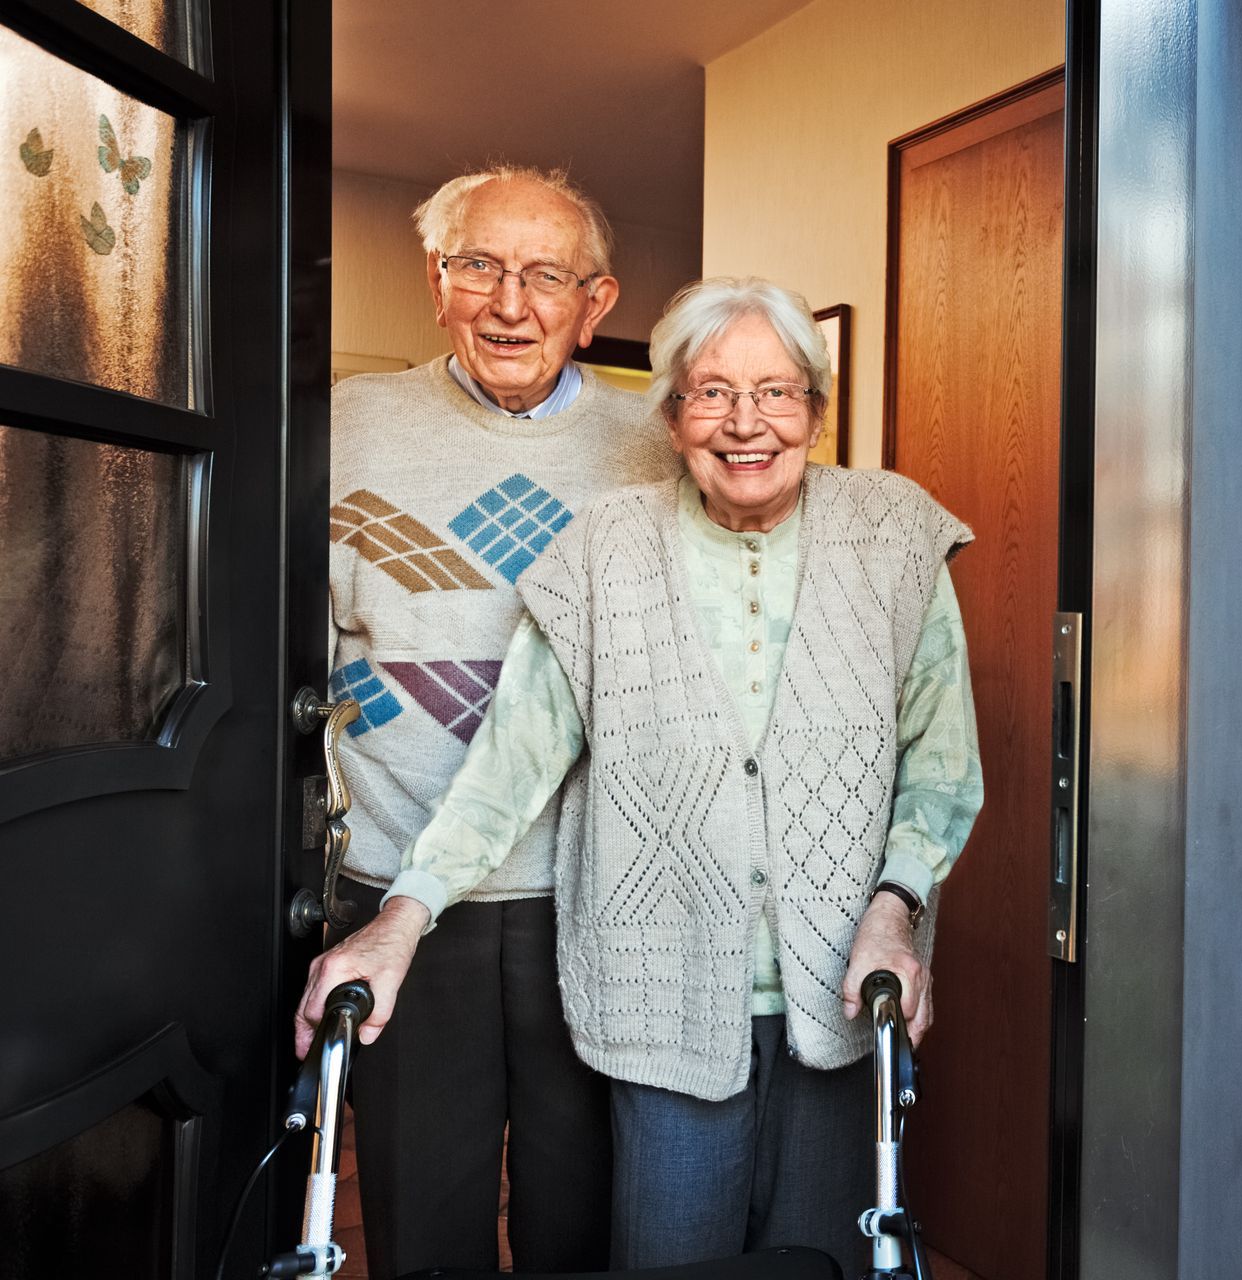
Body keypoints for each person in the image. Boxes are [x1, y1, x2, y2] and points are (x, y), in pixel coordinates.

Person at [320, 276, 983, 1274]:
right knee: (669, 1257)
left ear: (815, 407)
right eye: (712, 391)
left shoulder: (893, 533)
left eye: (776, 391)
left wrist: (897, 905)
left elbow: (941, 760)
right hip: (662, 995)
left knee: (822, 1258)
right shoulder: (606, 548)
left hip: (845, 992)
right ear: (670, 415)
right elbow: (514, 759)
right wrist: (400, 917)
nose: (745, 421)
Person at [299, 164, 679, 1277]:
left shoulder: (657, 445)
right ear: (436, 281)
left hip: (594, 890)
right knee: (424, 1212)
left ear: (596, 302)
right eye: (479, 267)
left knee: (585, 1213)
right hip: (402, 885)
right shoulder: (339, 425)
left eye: (544, 275)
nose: (510, 304)